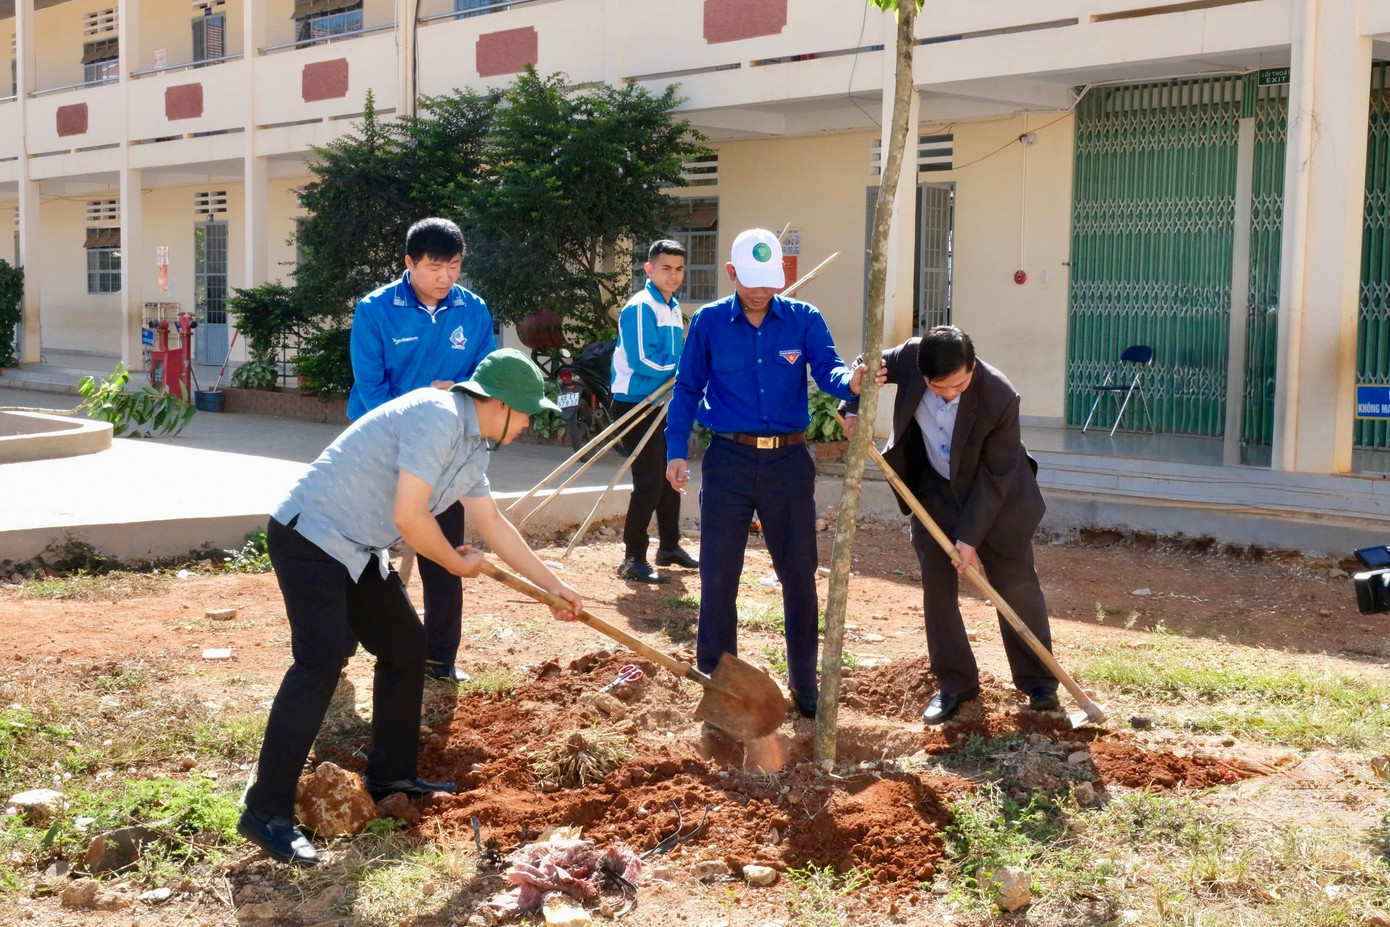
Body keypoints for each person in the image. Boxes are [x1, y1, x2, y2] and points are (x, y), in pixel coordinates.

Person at [239, 349, 578, 866]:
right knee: (322, 659)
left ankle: (390, 774)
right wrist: (456, 563)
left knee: (405, 646)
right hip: (311, 534)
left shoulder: (474, 448)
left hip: (354, 548)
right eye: (527, 411)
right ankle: (266, 812)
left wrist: (557, 588)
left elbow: (495, 527)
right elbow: (409, 515)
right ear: (499, 403)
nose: (530, 422)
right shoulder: (437, 416)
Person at [665, 228, 866, 720]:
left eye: (769, 282)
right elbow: (687, 389)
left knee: (799, 577)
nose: (760, 292)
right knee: (717, 576)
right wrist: (674, 450)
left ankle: (805, 685)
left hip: (788, 465)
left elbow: (830, 370)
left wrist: (853, 386)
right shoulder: (709, 322)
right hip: (728, 462)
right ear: (732, 274)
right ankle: (719, 681)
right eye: (751, 281)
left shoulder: (804, 320)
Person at [843, 325, 1058, 724]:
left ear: (971, 366)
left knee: (1016, 585)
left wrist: (970, 539)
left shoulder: (998, 396)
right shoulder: (908, 357)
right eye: (939, 388)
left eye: (958, 385)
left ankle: (1039, 681)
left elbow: (996, 478)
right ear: (922, 373)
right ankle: (956, 682)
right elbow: (866, 368)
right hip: (934, 492)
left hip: (998, 497)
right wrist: (852, 408)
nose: (948, 394)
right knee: (937, 588)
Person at [347, 217, 497, 684]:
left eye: (453, 266)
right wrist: (425, 398)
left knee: (443, 551)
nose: (445, 278)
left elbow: (487, 378)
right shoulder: (375, 310)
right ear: (409, 263)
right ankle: (341, 645)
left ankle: (438, 657)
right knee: (357, 550)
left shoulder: (473, 311)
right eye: (434, 267)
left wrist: (460, 393)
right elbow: (372, 390)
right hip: (377, 446)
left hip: (445, 451)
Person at [610, 239, 698, 584]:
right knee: (647, 482)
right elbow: (642, 360)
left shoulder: (672, 306)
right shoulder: (641, 306)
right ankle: (632, 557)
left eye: (679, 269)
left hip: (663, 402)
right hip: (636, 403)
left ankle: (670, 547)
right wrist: (681, 371)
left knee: (669, 478)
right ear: (649, 269)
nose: (673, 275)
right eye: (666, 268)